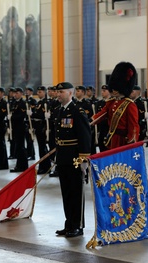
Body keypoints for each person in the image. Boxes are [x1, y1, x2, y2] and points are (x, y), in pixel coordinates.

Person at [55, 82, 91, 238]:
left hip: (75, 158)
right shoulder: (59, 111)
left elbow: (85, 136)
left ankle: (77, 225)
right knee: (66, 192)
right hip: (63, 156)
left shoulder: (77, 111)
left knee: (76, 193)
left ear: (70, 93)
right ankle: (68, 223)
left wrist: (84, 159)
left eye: (61, 92)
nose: (58, 94)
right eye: (57, 92)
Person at [92, 62, 139, 149]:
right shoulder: (111, 102)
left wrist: (130, 140)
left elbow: (133, 125)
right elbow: (101, 114)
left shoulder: (129, 104)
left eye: (116, 89)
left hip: (123, 140)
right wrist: (90, 121)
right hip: (112, 137)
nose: (113, 91)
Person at [30, 86, 51, 174]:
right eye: (38, 92)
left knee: (43, 148)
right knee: (41, 147)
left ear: (45, 92)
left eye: (40, 92)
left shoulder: (46, 103)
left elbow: (42, 116)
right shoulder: (39, 103)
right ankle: (43, 165)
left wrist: (33, 115)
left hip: (43, 126)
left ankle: (46, 166)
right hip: (38, 126)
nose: (38, 93)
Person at [10, 87, 28, 172]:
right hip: (15, 127)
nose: (15, 95)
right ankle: (19, 165)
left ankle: (23, 166)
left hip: (20, 127)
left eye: (17, 93)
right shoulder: (14, 103)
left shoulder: (22, 103)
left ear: (21, 93)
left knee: (21, 147)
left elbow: (22, 116)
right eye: (14, 93)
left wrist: (12, 117)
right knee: (18, 147)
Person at [95, 84, 112, 152]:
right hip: (101, 128)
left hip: (109, 127)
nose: (102, 92)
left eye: (104, 91)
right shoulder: (99, 103)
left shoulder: (112, 102)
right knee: (101, 145)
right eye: (102, 91)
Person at [25, 87, 36, 160]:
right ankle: (29, 153)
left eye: (28, 91)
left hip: (31, 121)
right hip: (26, 121)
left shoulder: (33, 101)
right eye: (26, 91)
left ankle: (32, 154)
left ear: (31, 92)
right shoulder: (26, 100)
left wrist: (31, 113)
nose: (27, 92)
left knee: (30, 139)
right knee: (27, 138)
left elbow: (34, 110)